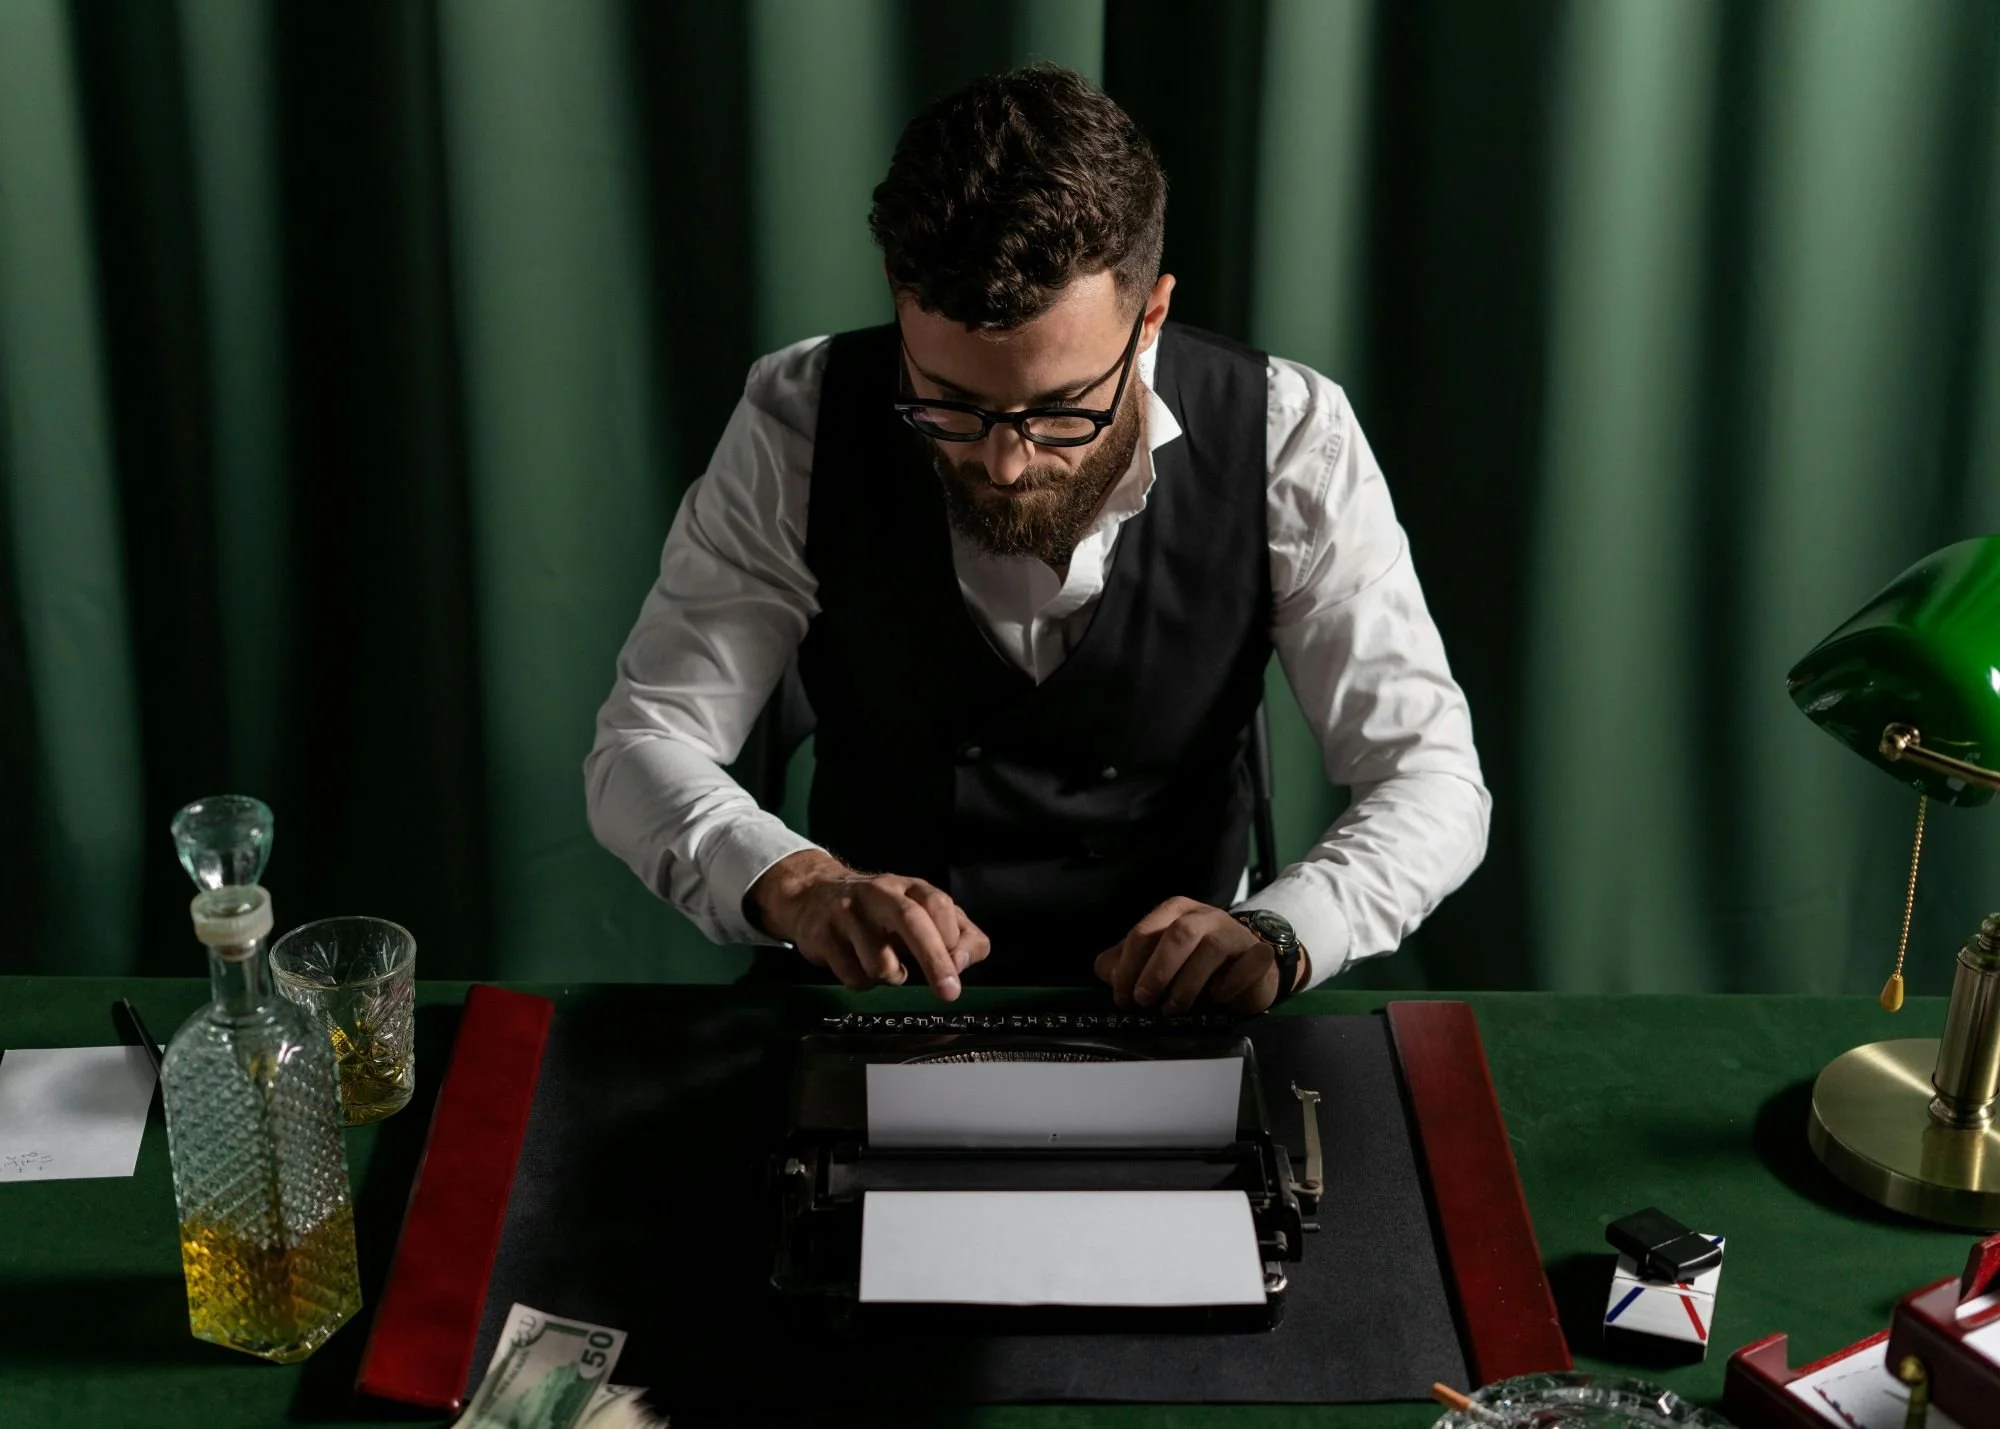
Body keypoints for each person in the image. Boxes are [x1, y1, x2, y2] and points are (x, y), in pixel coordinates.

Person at [586, 64, 1487, 1014]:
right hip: (874, 1005)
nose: (1006, 463)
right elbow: (642, 742)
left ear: (1150, 317)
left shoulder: (1291, 434)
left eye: (1062, 410)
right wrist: (800, 883)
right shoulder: (800, 419)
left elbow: (1429, 776)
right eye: (950, 404)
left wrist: (1285, 929)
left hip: (1179, 1016)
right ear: (898, 294)